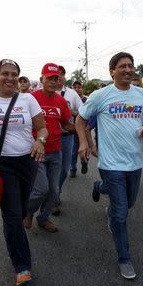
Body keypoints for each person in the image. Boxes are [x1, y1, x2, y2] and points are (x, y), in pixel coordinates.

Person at [76, 52, 143, 280]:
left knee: (129, 203)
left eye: (131, 66)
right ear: (112, 71)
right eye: (122, 66)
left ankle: (99, 187)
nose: (128, 70)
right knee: (121, 214)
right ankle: (124, 258)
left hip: (134, 162)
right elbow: (81, 120)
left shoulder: (141, 94)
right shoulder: (100, 95)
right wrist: (84, 141)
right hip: (110, 163)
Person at [0, 59, 48, 286]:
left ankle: (24, 217)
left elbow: (42, 127)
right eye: (5, 73)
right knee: (12, 215)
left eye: (14, 74)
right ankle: (22, 266)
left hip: (27, 161)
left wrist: (40, 141)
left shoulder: (28, 99)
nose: (10, 78)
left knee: (23, 206)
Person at [23, 63, 74, 233]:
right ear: (41, 79)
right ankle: (28, 212)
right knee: (41, 189)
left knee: (54, 190)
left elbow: (66, 124)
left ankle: (43, 218)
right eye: (49, 78)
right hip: (36, 152)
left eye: (56, 78)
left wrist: (83, 129)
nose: (53, 81)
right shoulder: (30, 98)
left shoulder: (61, 101)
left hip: (56, 151)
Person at [54, 65, 82, 215]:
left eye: (60, 75)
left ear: (64, 76)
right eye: (54, 75)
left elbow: (83, 112)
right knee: (51, 170)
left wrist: (70, 111)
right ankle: (53, 197)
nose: (57, 77)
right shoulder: (44, 93)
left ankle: (55, 191)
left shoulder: (71, 94)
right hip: (49, 139)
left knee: (64, 170)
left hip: (67, 137)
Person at [70, 80, 88, 178]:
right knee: (74, 150)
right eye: (74, 87)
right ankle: (72, 168)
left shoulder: (87, 100)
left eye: (79, 87)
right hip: (72, 129)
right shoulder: (70, 99)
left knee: (86, 147)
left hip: (85, 129)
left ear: (82, 88)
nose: (77, 89)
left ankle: (84, 161)